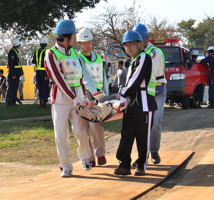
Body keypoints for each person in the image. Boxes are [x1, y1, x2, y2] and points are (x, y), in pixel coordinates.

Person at [44, 20, 93, 178]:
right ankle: (66, 167)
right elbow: (59, 79)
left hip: (78, 99)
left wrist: (83, 96)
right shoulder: (51, 54)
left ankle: (85, 158)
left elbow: (79, 77)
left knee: (80, 131)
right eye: (73, 35)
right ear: (66, 37)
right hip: (60, 101)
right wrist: (74, 98)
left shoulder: (75, 54)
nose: (74, 38)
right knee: (61, 135)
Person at [114, 30, 157, 176]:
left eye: (131, 44)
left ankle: (140, 165)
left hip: (144, 103)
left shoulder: (144, 57)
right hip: (132, 103)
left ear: (140, 44)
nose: (128, 47)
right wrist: (124, 99)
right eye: (126, 45)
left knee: (142, 136)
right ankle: (124, 164)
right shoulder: (133, 60)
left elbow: (135, 79)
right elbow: (130, 81)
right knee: (126, 134)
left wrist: (123, 95)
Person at [133, 23, 166, 164]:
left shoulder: (154, 53)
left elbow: (145, 73)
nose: (138, 43)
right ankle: (143, 154)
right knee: (141, 124)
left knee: (154, 123)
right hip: (142, 90)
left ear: (146, 39)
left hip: (157, 89)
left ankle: (154, 150)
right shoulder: (136, 54)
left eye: (140, 40)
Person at [76, 28, 109, 166]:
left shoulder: (98, 58)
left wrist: (105, 95)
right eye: (85, 43)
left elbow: (104, 77)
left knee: (96, 124)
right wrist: (96, 93)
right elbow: (86, 77)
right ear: (80, 44)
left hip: (99, 93)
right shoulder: (78, 58)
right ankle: (90, 156)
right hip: (85, 94)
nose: (88, 45)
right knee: (84, 126)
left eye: (89, 42)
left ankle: (100, 153)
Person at [32, 37, 50, 108]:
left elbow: (33, 61)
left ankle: (40, 102)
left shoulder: (36, 51)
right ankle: (44, 102)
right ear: (46, 44)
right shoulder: (46, 51)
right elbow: (48, 63)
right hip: (44, 72)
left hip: (38, 72)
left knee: (40, 87)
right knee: (45, 87)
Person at [7, 38, 24, 106]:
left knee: (15, 87)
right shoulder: (12, 52)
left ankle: (13, 101)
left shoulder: (15, 51)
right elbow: (11, 64)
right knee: (13, 88)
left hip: (16, 73)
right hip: (14, 73)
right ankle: (11, 102)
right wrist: (13, 74)